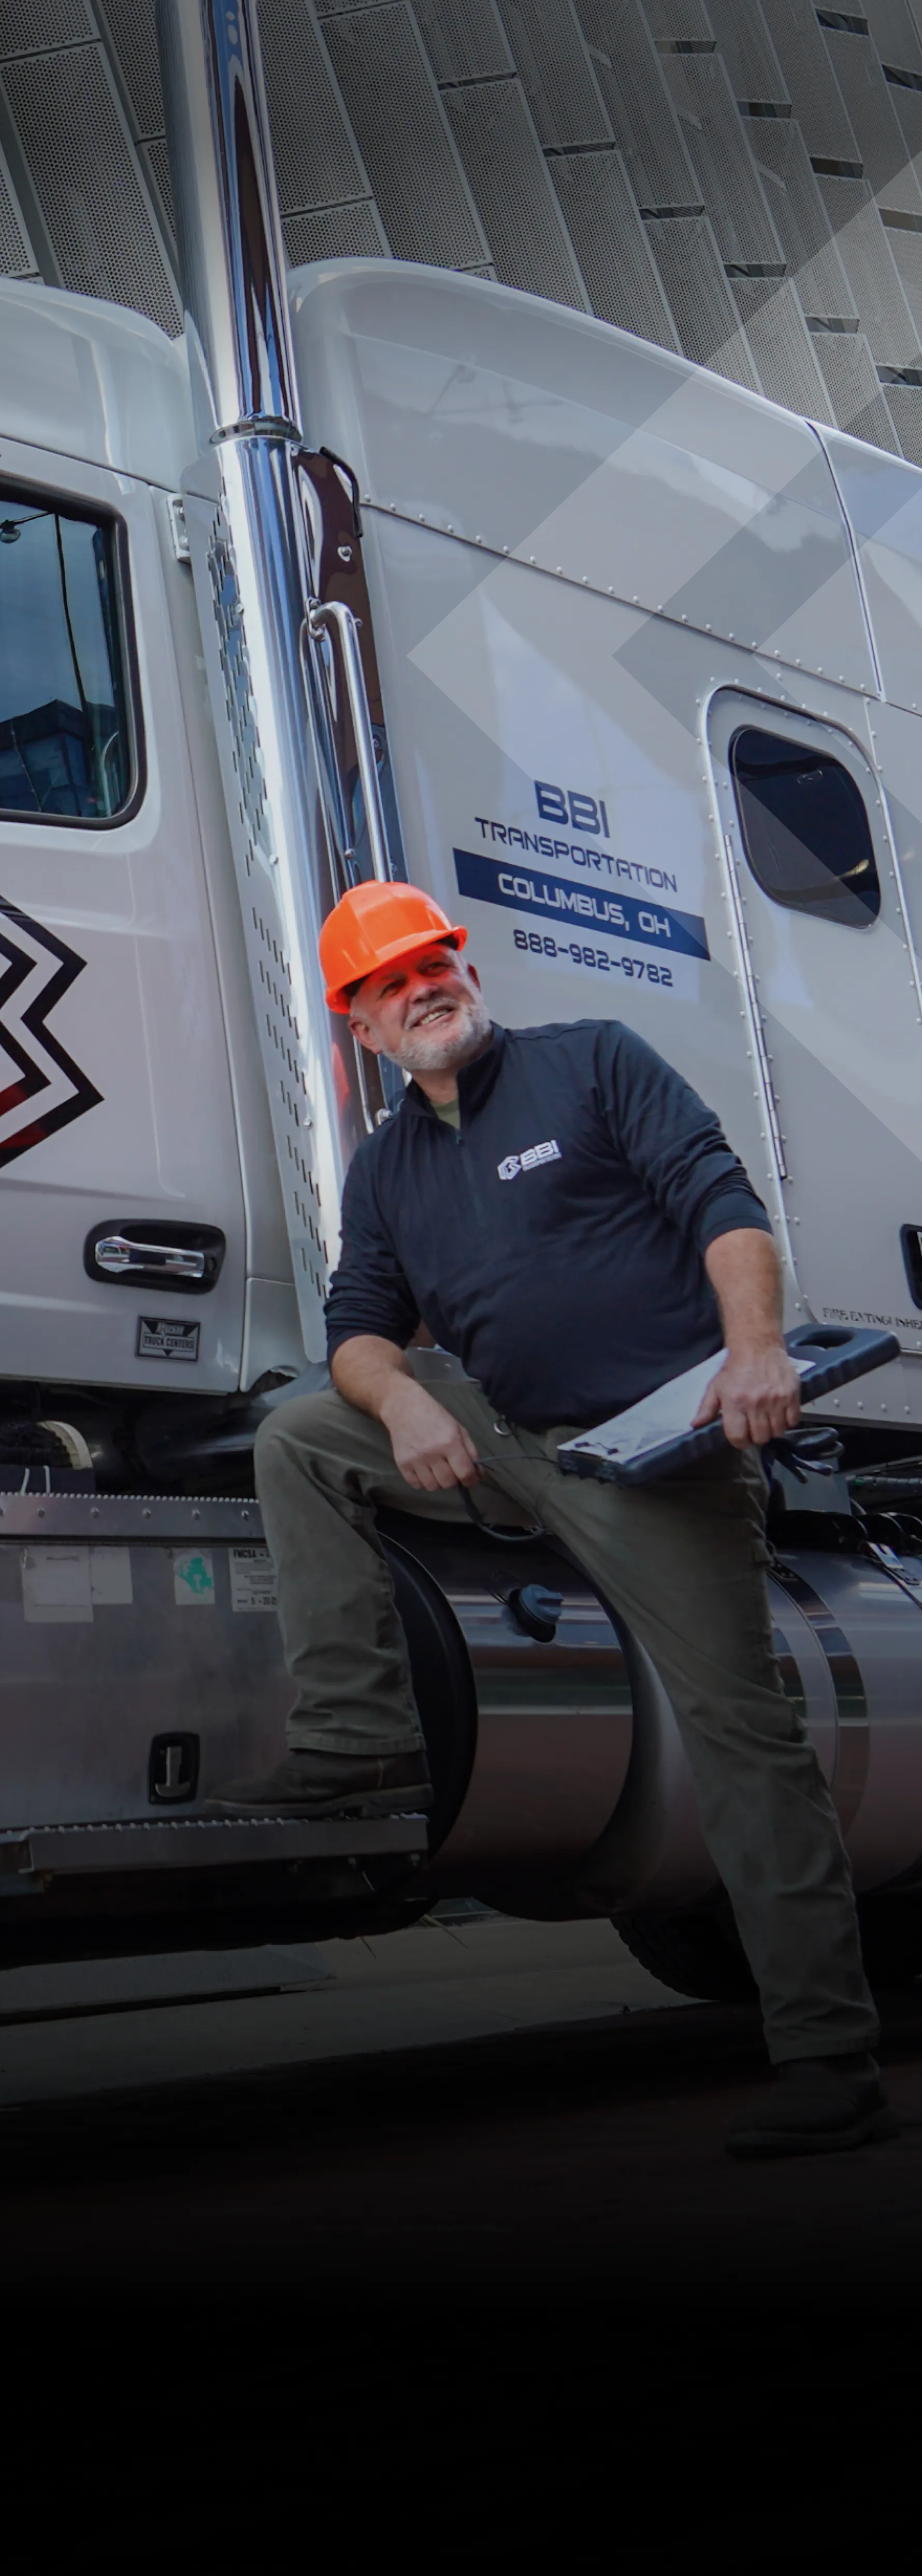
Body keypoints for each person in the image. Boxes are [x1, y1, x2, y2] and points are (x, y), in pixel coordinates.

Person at [211, 880, 896, 2158]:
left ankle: (828, 2058)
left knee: (744, 1739)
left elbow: (722, 1204)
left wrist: (756, 1351)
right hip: (512, 1437)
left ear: (467, 971)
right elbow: (358, 1328)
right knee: (301, 1431)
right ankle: (359, 1741)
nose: (424, 988)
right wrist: (404, 1405)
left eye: (434, 963)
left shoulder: (592, 1064)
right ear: (363, 1027)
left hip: (657, 1452)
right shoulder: (389, 1168)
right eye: (390, 983)